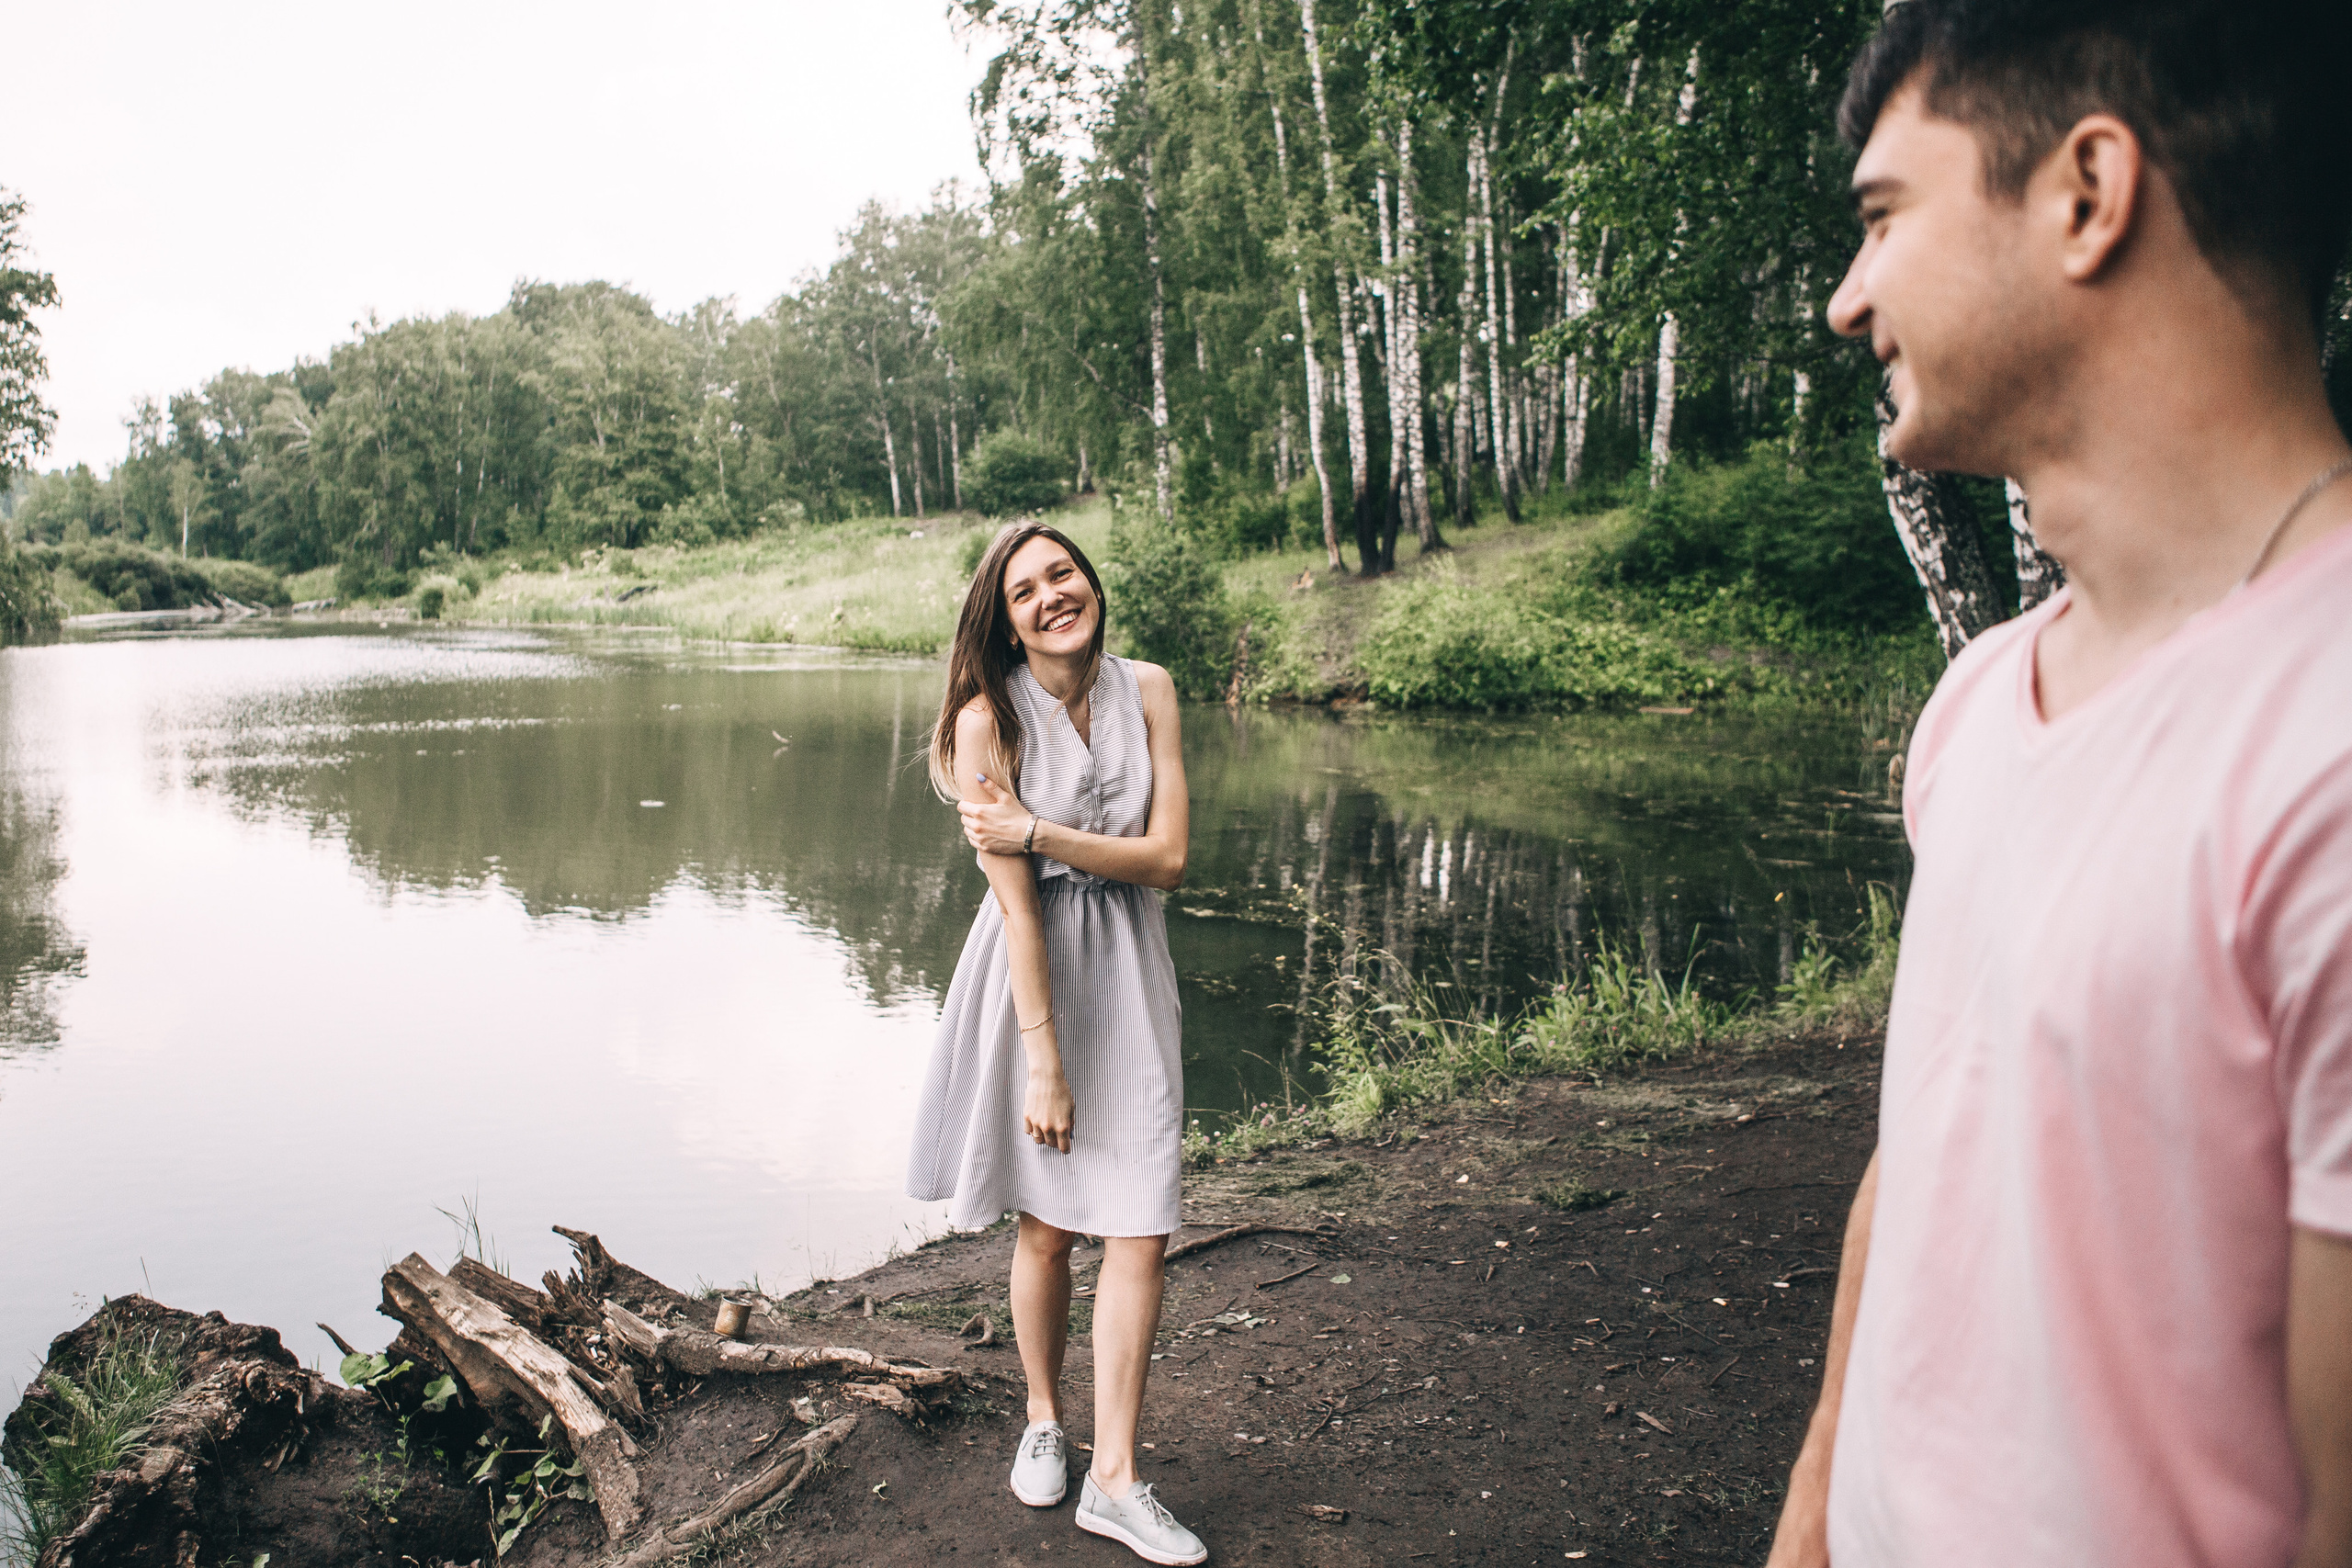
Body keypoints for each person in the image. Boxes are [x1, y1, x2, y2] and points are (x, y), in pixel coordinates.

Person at [1766, 4, 2352, 1565]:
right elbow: (1922, 1158)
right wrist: (1815, 1511)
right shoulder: (1977, 704)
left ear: (2088, 193)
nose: (1845, 300)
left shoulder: (2330, 744)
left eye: (1884, 217)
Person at [905, 520, 1207, 1566]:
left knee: (1143, 1222)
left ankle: (1115, 1480)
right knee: (1046, 1227)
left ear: (1089, 582)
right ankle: (1043, 1415)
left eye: (1061, 575)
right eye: (1024, 590)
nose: (1049, 598)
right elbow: (1020, 907)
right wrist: (1043, 1057)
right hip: (1032, 977)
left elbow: (1166, 861)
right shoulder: (987, 723)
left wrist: (1039, 832)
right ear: (1003, 617)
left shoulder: (1154, 688)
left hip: (1131, 968)